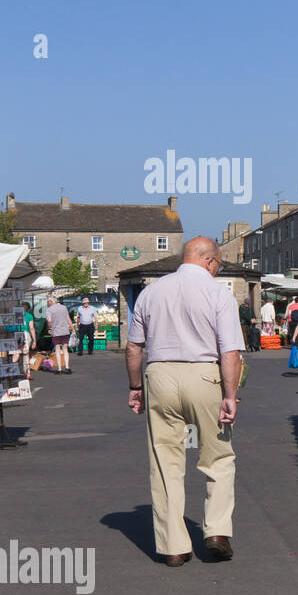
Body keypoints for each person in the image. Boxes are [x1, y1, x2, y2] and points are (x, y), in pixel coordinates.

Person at [125, 236, 243, 567]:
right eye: (218, 266)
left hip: (160, 374)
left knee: (165, 461)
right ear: (210, 261)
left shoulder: (150, 292)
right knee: (218, 456)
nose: (217, 271)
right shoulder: (218, 294)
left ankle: (174, 545)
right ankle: (217, 530)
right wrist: (231, 396)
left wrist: (135, 387)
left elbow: (134, 346)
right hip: (204, 375)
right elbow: (229, 351)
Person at [44, 295, 73, 373]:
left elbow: (49, 321)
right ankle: (67, 367)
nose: (48, 303)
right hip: (65, 330)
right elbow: (68, 319)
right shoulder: (64, 307)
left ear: (50, 302)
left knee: (57, 349)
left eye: (48, 302)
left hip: (56, 331)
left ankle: (59, 369)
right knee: (65, 349)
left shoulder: (49, 310)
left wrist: (49, 329)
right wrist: (72, 328)